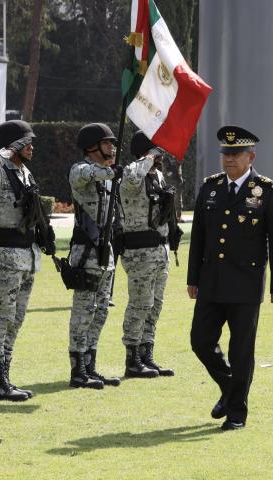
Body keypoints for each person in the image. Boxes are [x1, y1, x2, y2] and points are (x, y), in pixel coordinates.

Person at [187, 125, 272, 431]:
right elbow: (199, 237)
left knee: (241, 351)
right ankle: (230, 387)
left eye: (235, 154)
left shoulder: (265, 191)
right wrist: (192, 277)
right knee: (200, 341)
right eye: (225, 154)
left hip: (246, 285)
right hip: (211, 281)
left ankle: (237, 412)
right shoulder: (210, 188)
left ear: (251, 156)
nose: (229, 160)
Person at [0, 120, 41, 401]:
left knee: (16, 319)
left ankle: (6, 374)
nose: (31, 147)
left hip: (27, 255)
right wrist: (6, 149)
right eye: (26, 142)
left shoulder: (24, 172)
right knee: (2, 317)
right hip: (6, 256)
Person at [67, 123, 122, 389]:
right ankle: (78, 370)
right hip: (87, 249)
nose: (112, 147)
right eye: (107, 143)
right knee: (84, 310)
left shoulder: (108, 175)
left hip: (105, 249)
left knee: (100, 311)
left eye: (113, 143)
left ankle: (90, 366)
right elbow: (89, 174)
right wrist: (111, 171)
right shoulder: (81, 170)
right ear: (92, 146)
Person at [119, 131, 175, 379]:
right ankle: (132, 359)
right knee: (140, 304)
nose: (162, 154)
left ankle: (146, 354)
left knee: (156, 305)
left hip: (159, 249)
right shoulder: (133, 172)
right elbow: (131, 178)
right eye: (158, 150)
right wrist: (150, 156)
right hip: (139, 250)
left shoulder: (158, 176)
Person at [162, 155, 184, 221]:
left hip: (177, 182)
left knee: (178, 200)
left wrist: (178, 161)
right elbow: (167, 172)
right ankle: (170, 217)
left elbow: (180, 163)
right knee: (169, 199)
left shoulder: (177, 155)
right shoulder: (165, 157)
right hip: (170, 182)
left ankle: (178, 217)